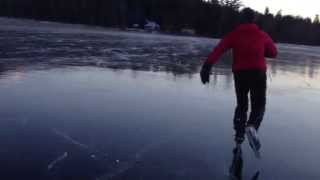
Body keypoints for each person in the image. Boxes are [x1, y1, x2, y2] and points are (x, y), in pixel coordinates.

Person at [200, 8, 277, 158]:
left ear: (241, 20)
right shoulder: (262, 35)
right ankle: (252, 126)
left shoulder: (234, 34)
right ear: (253, 20)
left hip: (240, 73)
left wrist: (207, 66)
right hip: (258, 72)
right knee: (259, 104)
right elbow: (273, 52)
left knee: (242, 104)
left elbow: (219, 49)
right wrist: (262, 51)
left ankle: (239, 135)